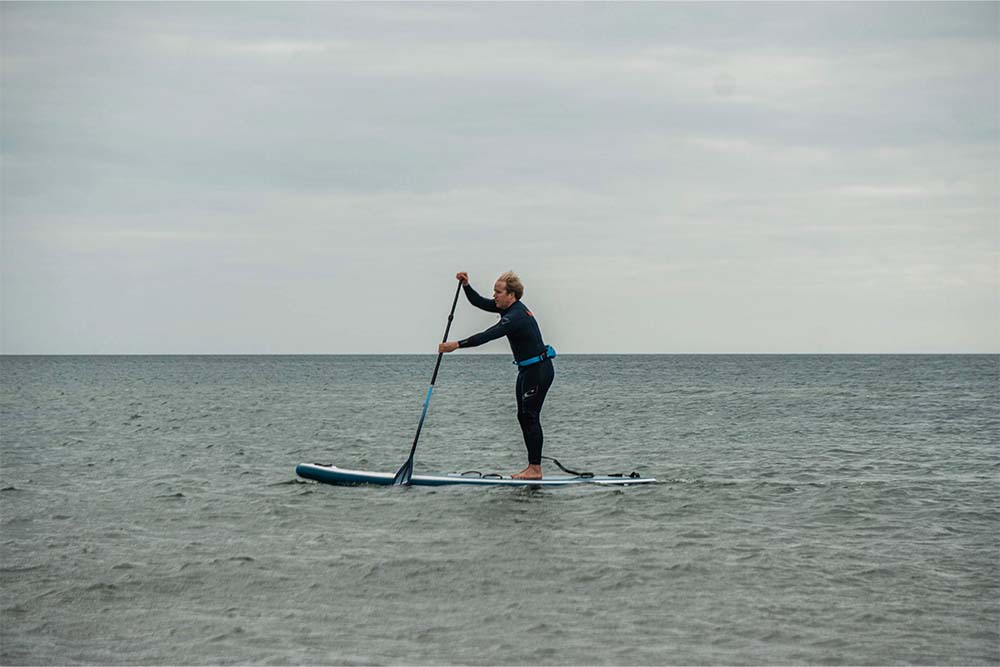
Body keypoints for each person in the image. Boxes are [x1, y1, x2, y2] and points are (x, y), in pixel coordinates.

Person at [438, 271, 555, 480]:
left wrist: (457, 345)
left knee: (530, 416)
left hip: (538, 370)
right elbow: (479, 302)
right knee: (523, 416)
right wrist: (466, 286)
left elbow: (488, 335)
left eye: (498, 292)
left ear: (512, 295)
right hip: (527, 370)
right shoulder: (506, 307)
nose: (494, 295)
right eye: (494, 291)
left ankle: (535, 469)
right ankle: (533, 467)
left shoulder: (515, 316)